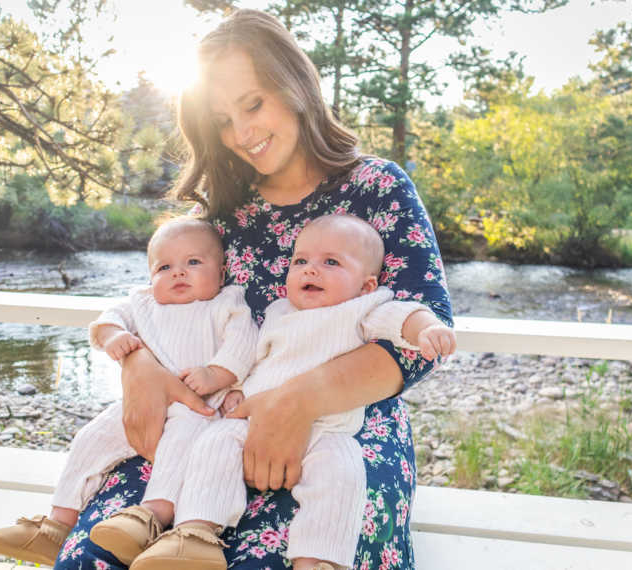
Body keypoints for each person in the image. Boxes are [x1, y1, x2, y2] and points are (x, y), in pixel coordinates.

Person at [56, 8, 453, 569]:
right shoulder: (221, 209)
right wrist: (138, 366)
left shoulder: (377, 188)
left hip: (343, 426)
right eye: (222, 120)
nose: (241, 134)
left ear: (294, 87)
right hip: (210, 418)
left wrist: (295, 402)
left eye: (253, 104)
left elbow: (420, 333)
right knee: (94, 560)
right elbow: (164, 303)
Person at [90, 214, 455, 570]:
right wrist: (236, 391)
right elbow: (255, 360)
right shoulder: (280, 311)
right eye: (301, 261)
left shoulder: (364, 309)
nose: (311, 270)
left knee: (343, 471)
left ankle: (317, 558)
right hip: (254, 417)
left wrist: (426, 329)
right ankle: (196, 531)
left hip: (328, 427)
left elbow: (404, 315)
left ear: (366, 285)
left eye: (331, 262)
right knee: (214, 444)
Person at [0, 217, 257, 566]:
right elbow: (107, 319)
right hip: (142, 406)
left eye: (193, 263)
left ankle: (151, 515)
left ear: (220, 274)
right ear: (150, 277)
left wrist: (217, 373)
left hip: (200, 407)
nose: (178, 273)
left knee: (181, 440)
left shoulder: (226, 303)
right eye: (164, 267)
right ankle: (56, 524)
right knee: (91, 437)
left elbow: (243, 344)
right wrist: (114, 337)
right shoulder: (143, 304)